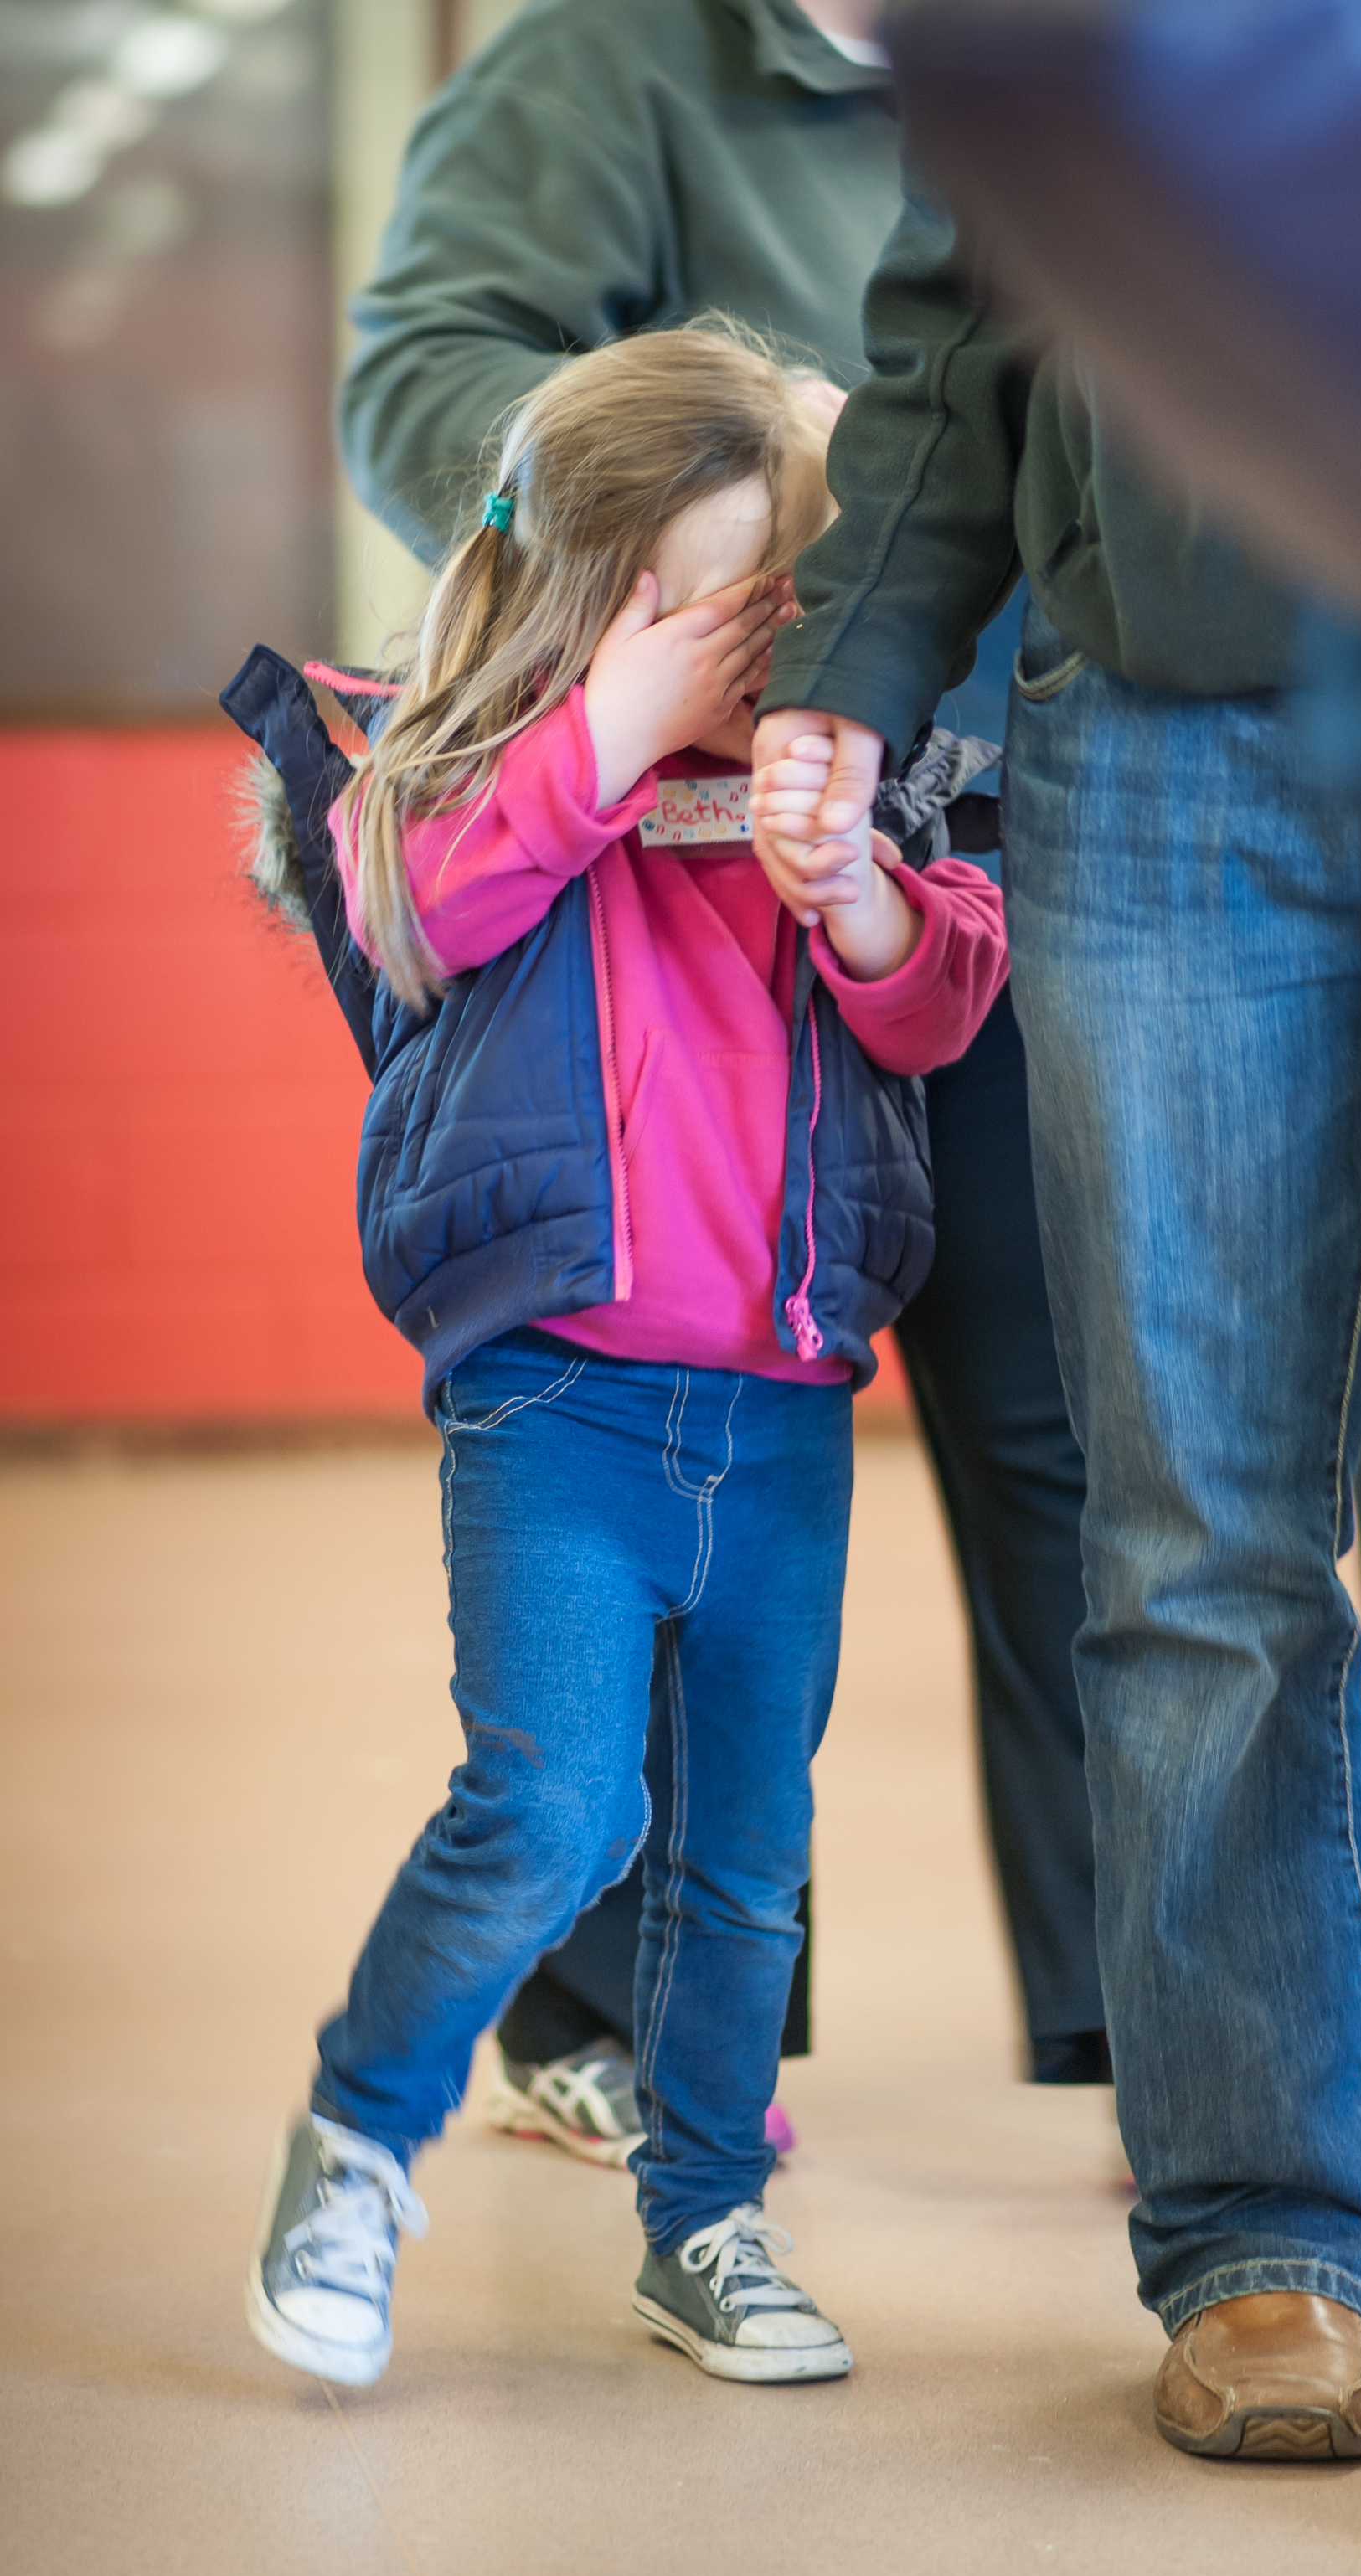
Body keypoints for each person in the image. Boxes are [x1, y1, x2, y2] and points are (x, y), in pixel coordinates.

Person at [336, 0, 1106, 2159]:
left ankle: (1150, 1999)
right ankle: (635, 2017)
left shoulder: (1083, 66)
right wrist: (704, 499)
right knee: (664, 1413)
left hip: (971, 810)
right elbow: (427, 376)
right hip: (649, 845)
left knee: (1064, 1438)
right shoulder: (597, 70)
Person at [240, 323, 1008, 2389]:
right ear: (595, 600)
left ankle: (707, 2217)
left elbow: (940, 996)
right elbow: (415, 906)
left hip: (779, 1418)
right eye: (710, 619)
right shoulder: (475, 785)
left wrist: (855, 894)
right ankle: (358, 2142)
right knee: (557, 1808)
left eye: (789, 613)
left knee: (747, 1858)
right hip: (556, 1406)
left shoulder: (838, 790)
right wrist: (608, 731)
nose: (751, 663)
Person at [755, 182, 1361, 2459]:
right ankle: (1263, 2236)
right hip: (1169, 741)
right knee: (1190, 1536)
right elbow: (966, 306)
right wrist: (854, 660)